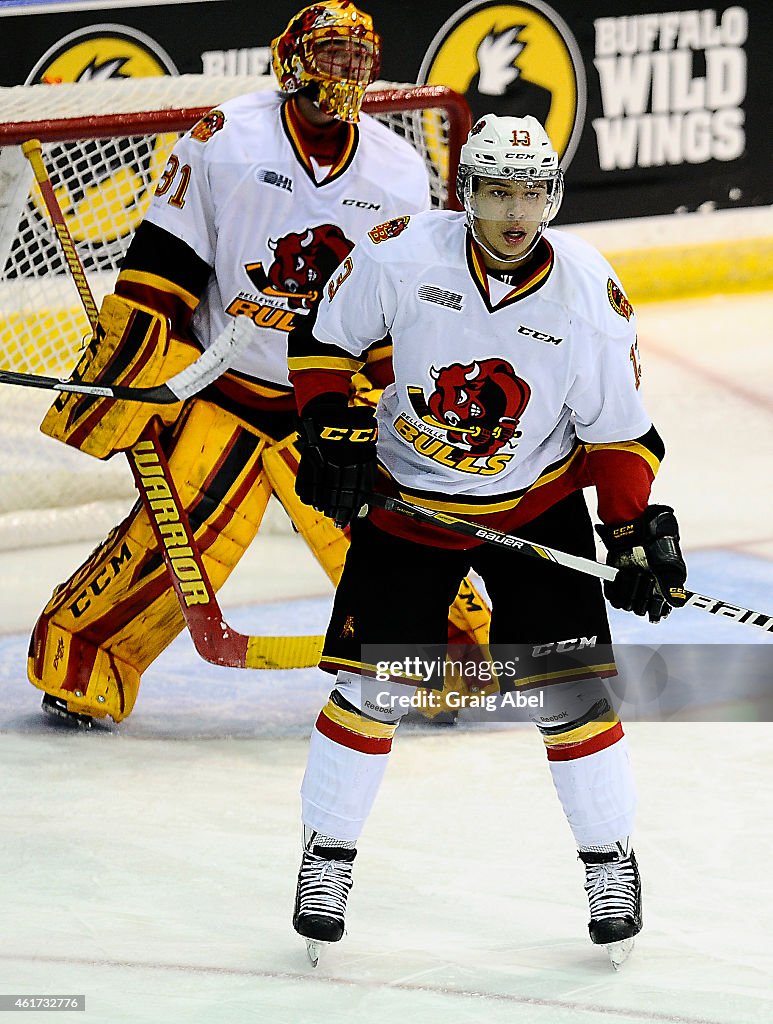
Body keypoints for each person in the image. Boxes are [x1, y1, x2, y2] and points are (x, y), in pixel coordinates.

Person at [287, 113, 688, 968]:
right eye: (497, 190)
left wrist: (628, 530)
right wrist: (325, 423)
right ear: (464, 192)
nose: (515, 210)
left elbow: (619, 438)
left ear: (552, 196)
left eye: (531, 192)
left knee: (571, 697)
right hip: (410, 505)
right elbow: (323, 344)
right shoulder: (401, 253)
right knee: (370, 691)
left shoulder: (586, 293)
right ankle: (325, 858)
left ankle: (608, 860)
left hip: (533, 505)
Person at [27, 0, 490, 727]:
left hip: (331, 405)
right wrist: (134, 373)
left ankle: (451, 662)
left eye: (358, 59)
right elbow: (162, 268)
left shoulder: (397, 169)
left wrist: (404, 417)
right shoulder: (226, 139)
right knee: (170, 545)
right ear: (293, 61)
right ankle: (81, 660)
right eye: (333, 55)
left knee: (397, 539)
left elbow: (400, 311)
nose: (347, 73)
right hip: (226, 394)